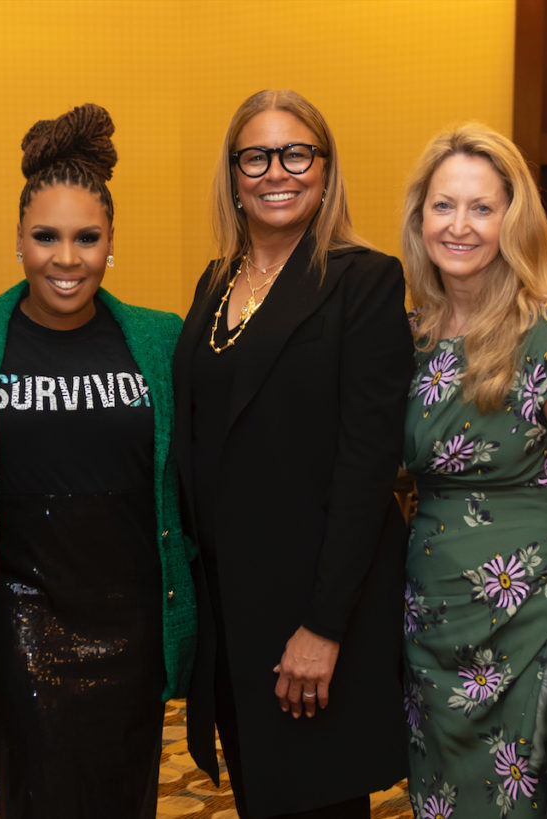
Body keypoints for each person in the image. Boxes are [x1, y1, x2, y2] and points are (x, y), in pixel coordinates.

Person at [0, 103, 196, 819]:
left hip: (134, 627)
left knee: (127, 795)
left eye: (86, 238)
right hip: (18, 624)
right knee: (36, 796)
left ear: (112, 243)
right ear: (18, 240)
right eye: (45, 237)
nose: (66, 259)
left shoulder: (160, 340)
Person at [174, 89, 413, 818]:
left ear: (324, 166)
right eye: (257, 156)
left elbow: (366, 469)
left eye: (296, 152)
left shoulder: (363, 281)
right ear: (234, 174)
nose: (277, 171)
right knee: (260, 798)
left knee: (317, 802)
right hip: (229, 611)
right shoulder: (214, 284)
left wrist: (324, 626)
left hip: (311, 611)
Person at [401, 124, 547, 818]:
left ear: (511, 220)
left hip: (528, 620)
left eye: (481, 207)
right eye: (443, 205)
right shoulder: (413, 332)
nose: (459, 225)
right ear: (420, 217)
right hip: (432, 620)